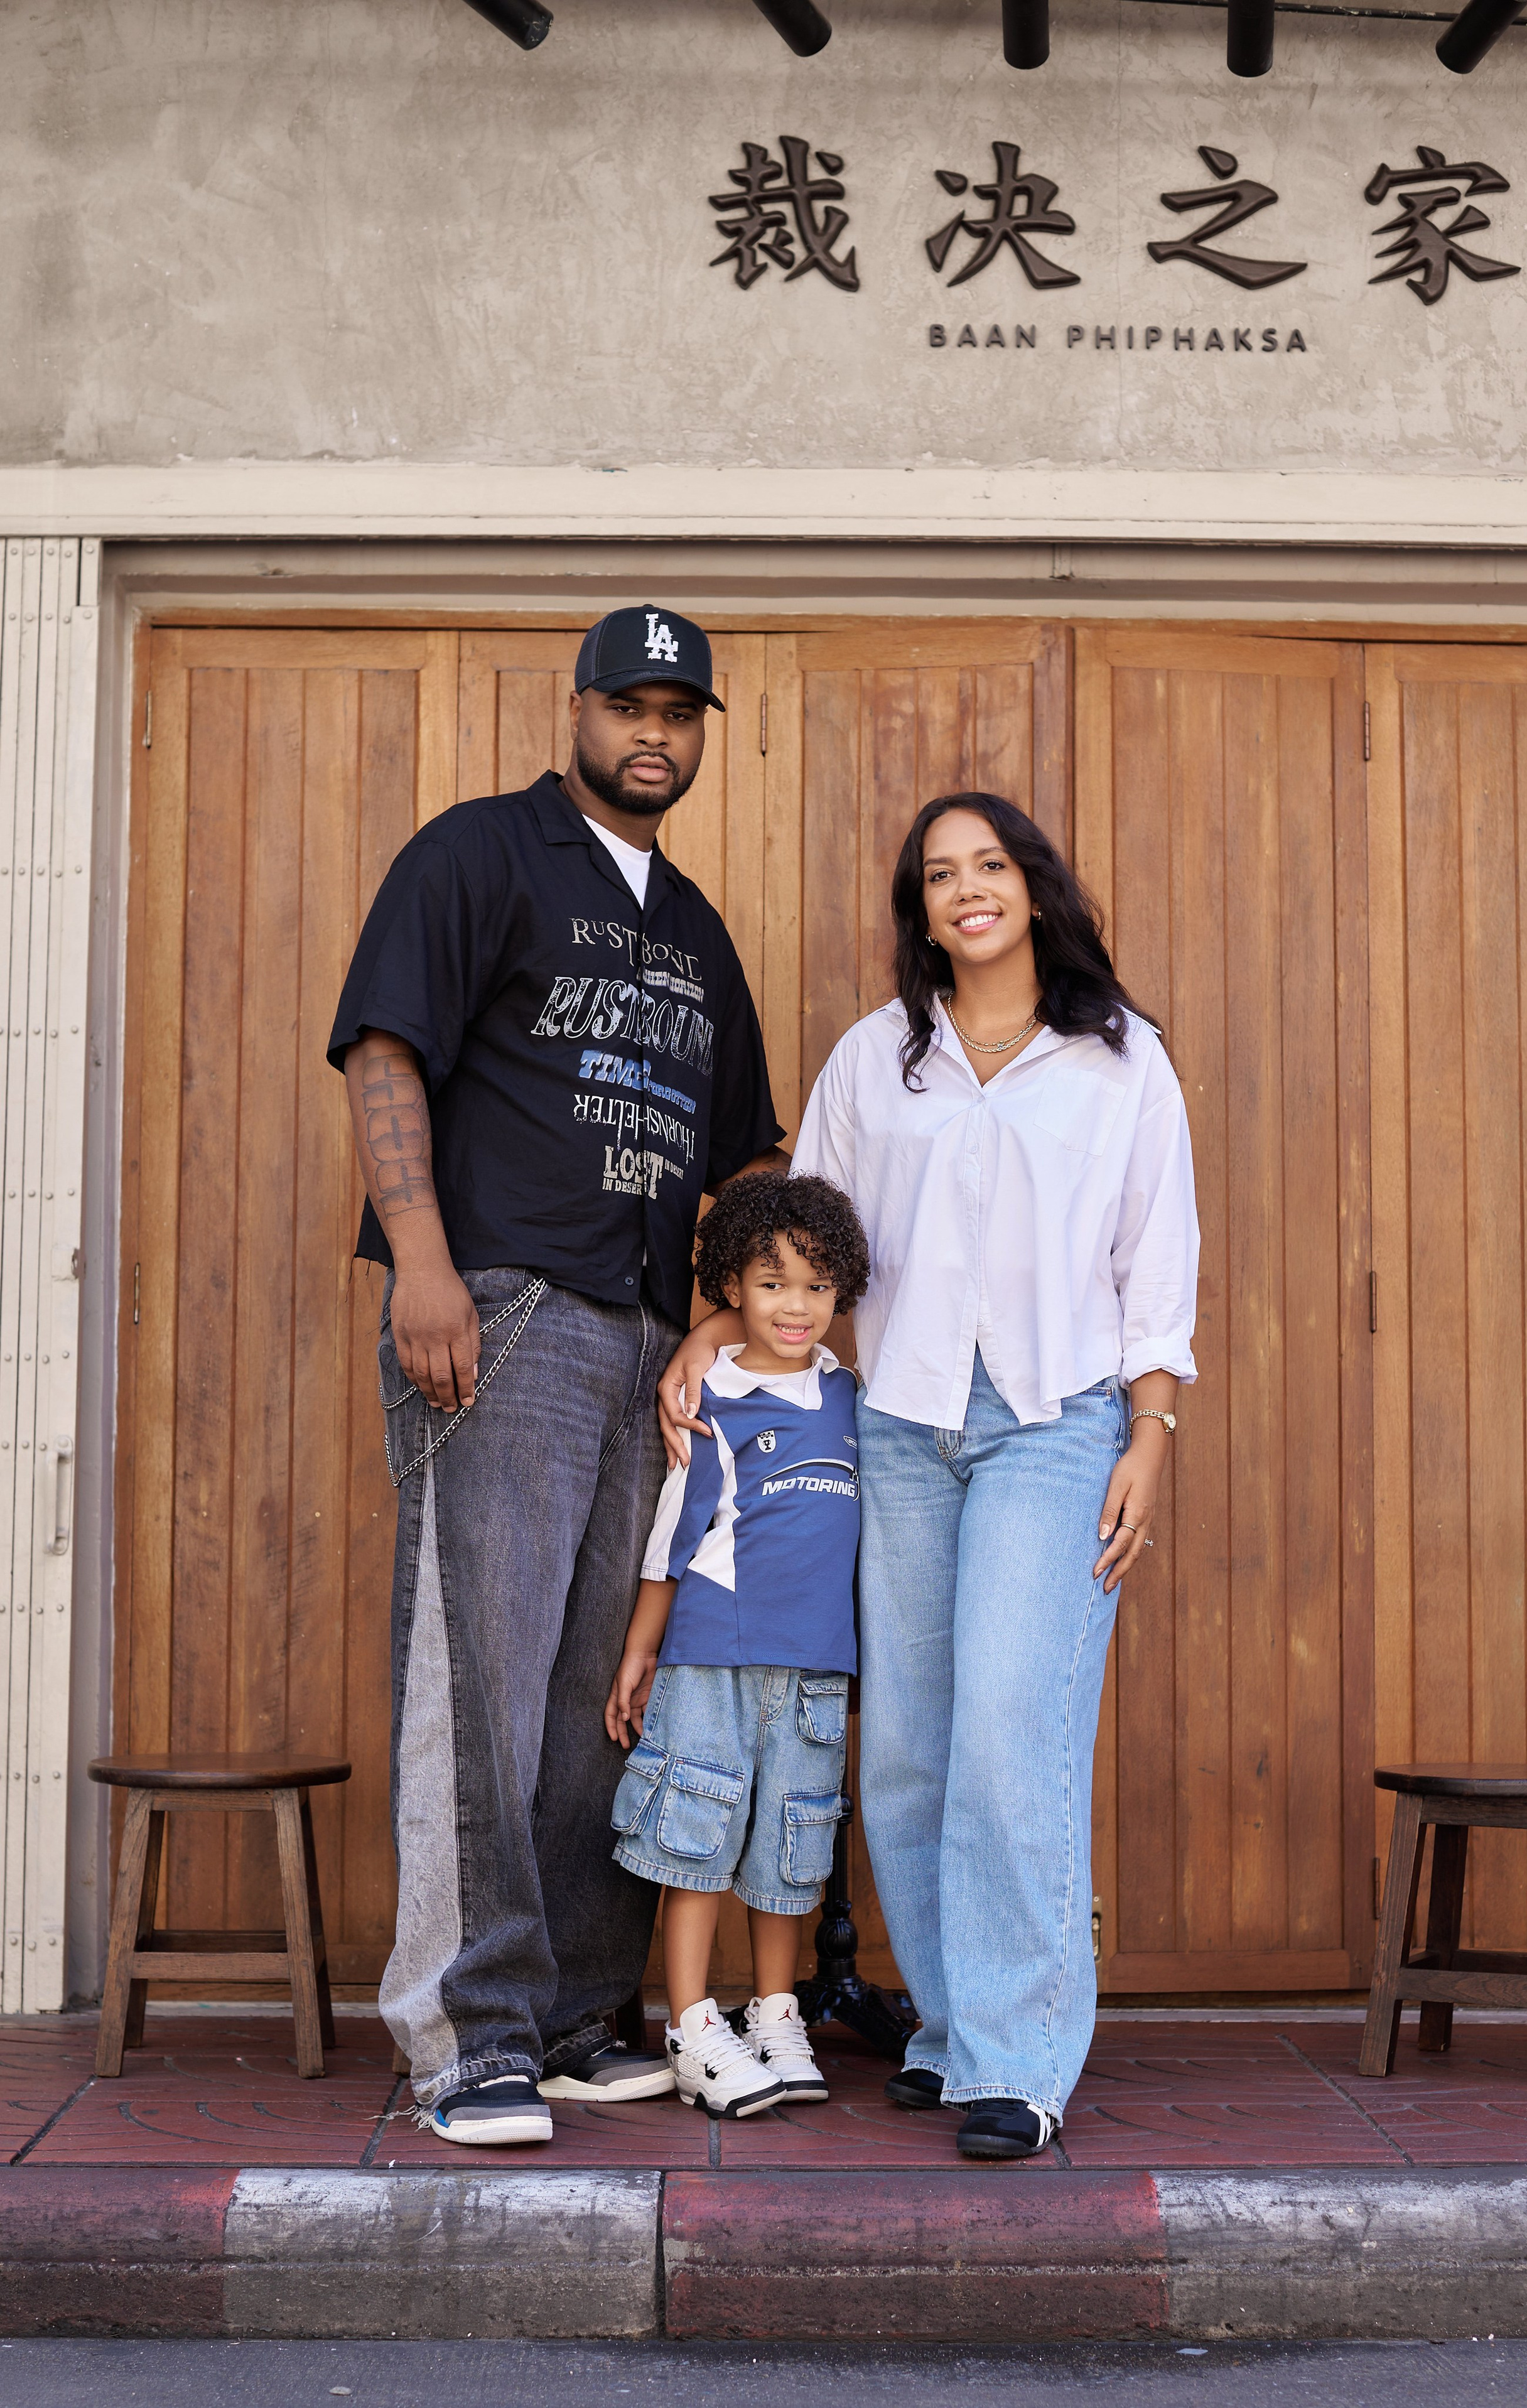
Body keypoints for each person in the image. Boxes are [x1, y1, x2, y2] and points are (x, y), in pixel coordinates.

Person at [659, 792, 1198, 2161]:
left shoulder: (1119, 1061)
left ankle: (1021, 2059)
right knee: (904, 1749)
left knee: (1011, 1734)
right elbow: (805, 1230)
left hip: (1052, 1422)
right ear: (920, 909)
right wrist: (717, 1326)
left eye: (989, 867)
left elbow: (1156, 1260)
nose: (966, 891)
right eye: (938, 876)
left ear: (1032, 888)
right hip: (893, 1426)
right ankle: (954, 2031)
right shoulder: (873, 1059)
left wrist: (1149, 1430)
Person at [328, 606, 785, 2146]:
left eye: (681, 710)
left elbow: (743, 1158)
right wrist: (426, 1263)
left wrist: (721, 1328)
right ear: (576, 709)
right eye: (627, 703)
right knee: (482, 1675)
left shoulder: (696, 935)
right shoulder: (478, 855)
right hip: (505, 1315)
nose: (652, 731)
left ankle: (578, 2010)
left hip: (650, 1341)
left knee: (604, 1694)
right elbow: (386, 1051)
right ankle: (464, 2028)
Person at [605, 1171, 868, 2119]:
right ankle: (693, 2027)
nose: (794, 1307)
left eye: (815, 1287)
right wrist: (641, 1652)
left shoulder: (853, 1395)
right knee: (698, 1837)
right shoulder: (710, 1393)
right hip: (712, 1655)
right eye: (770, 1284)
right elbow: (676, 1530)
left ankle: (775, 2012)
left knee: (792, 1844)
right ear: (732, 1290)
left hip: (814, 1666)